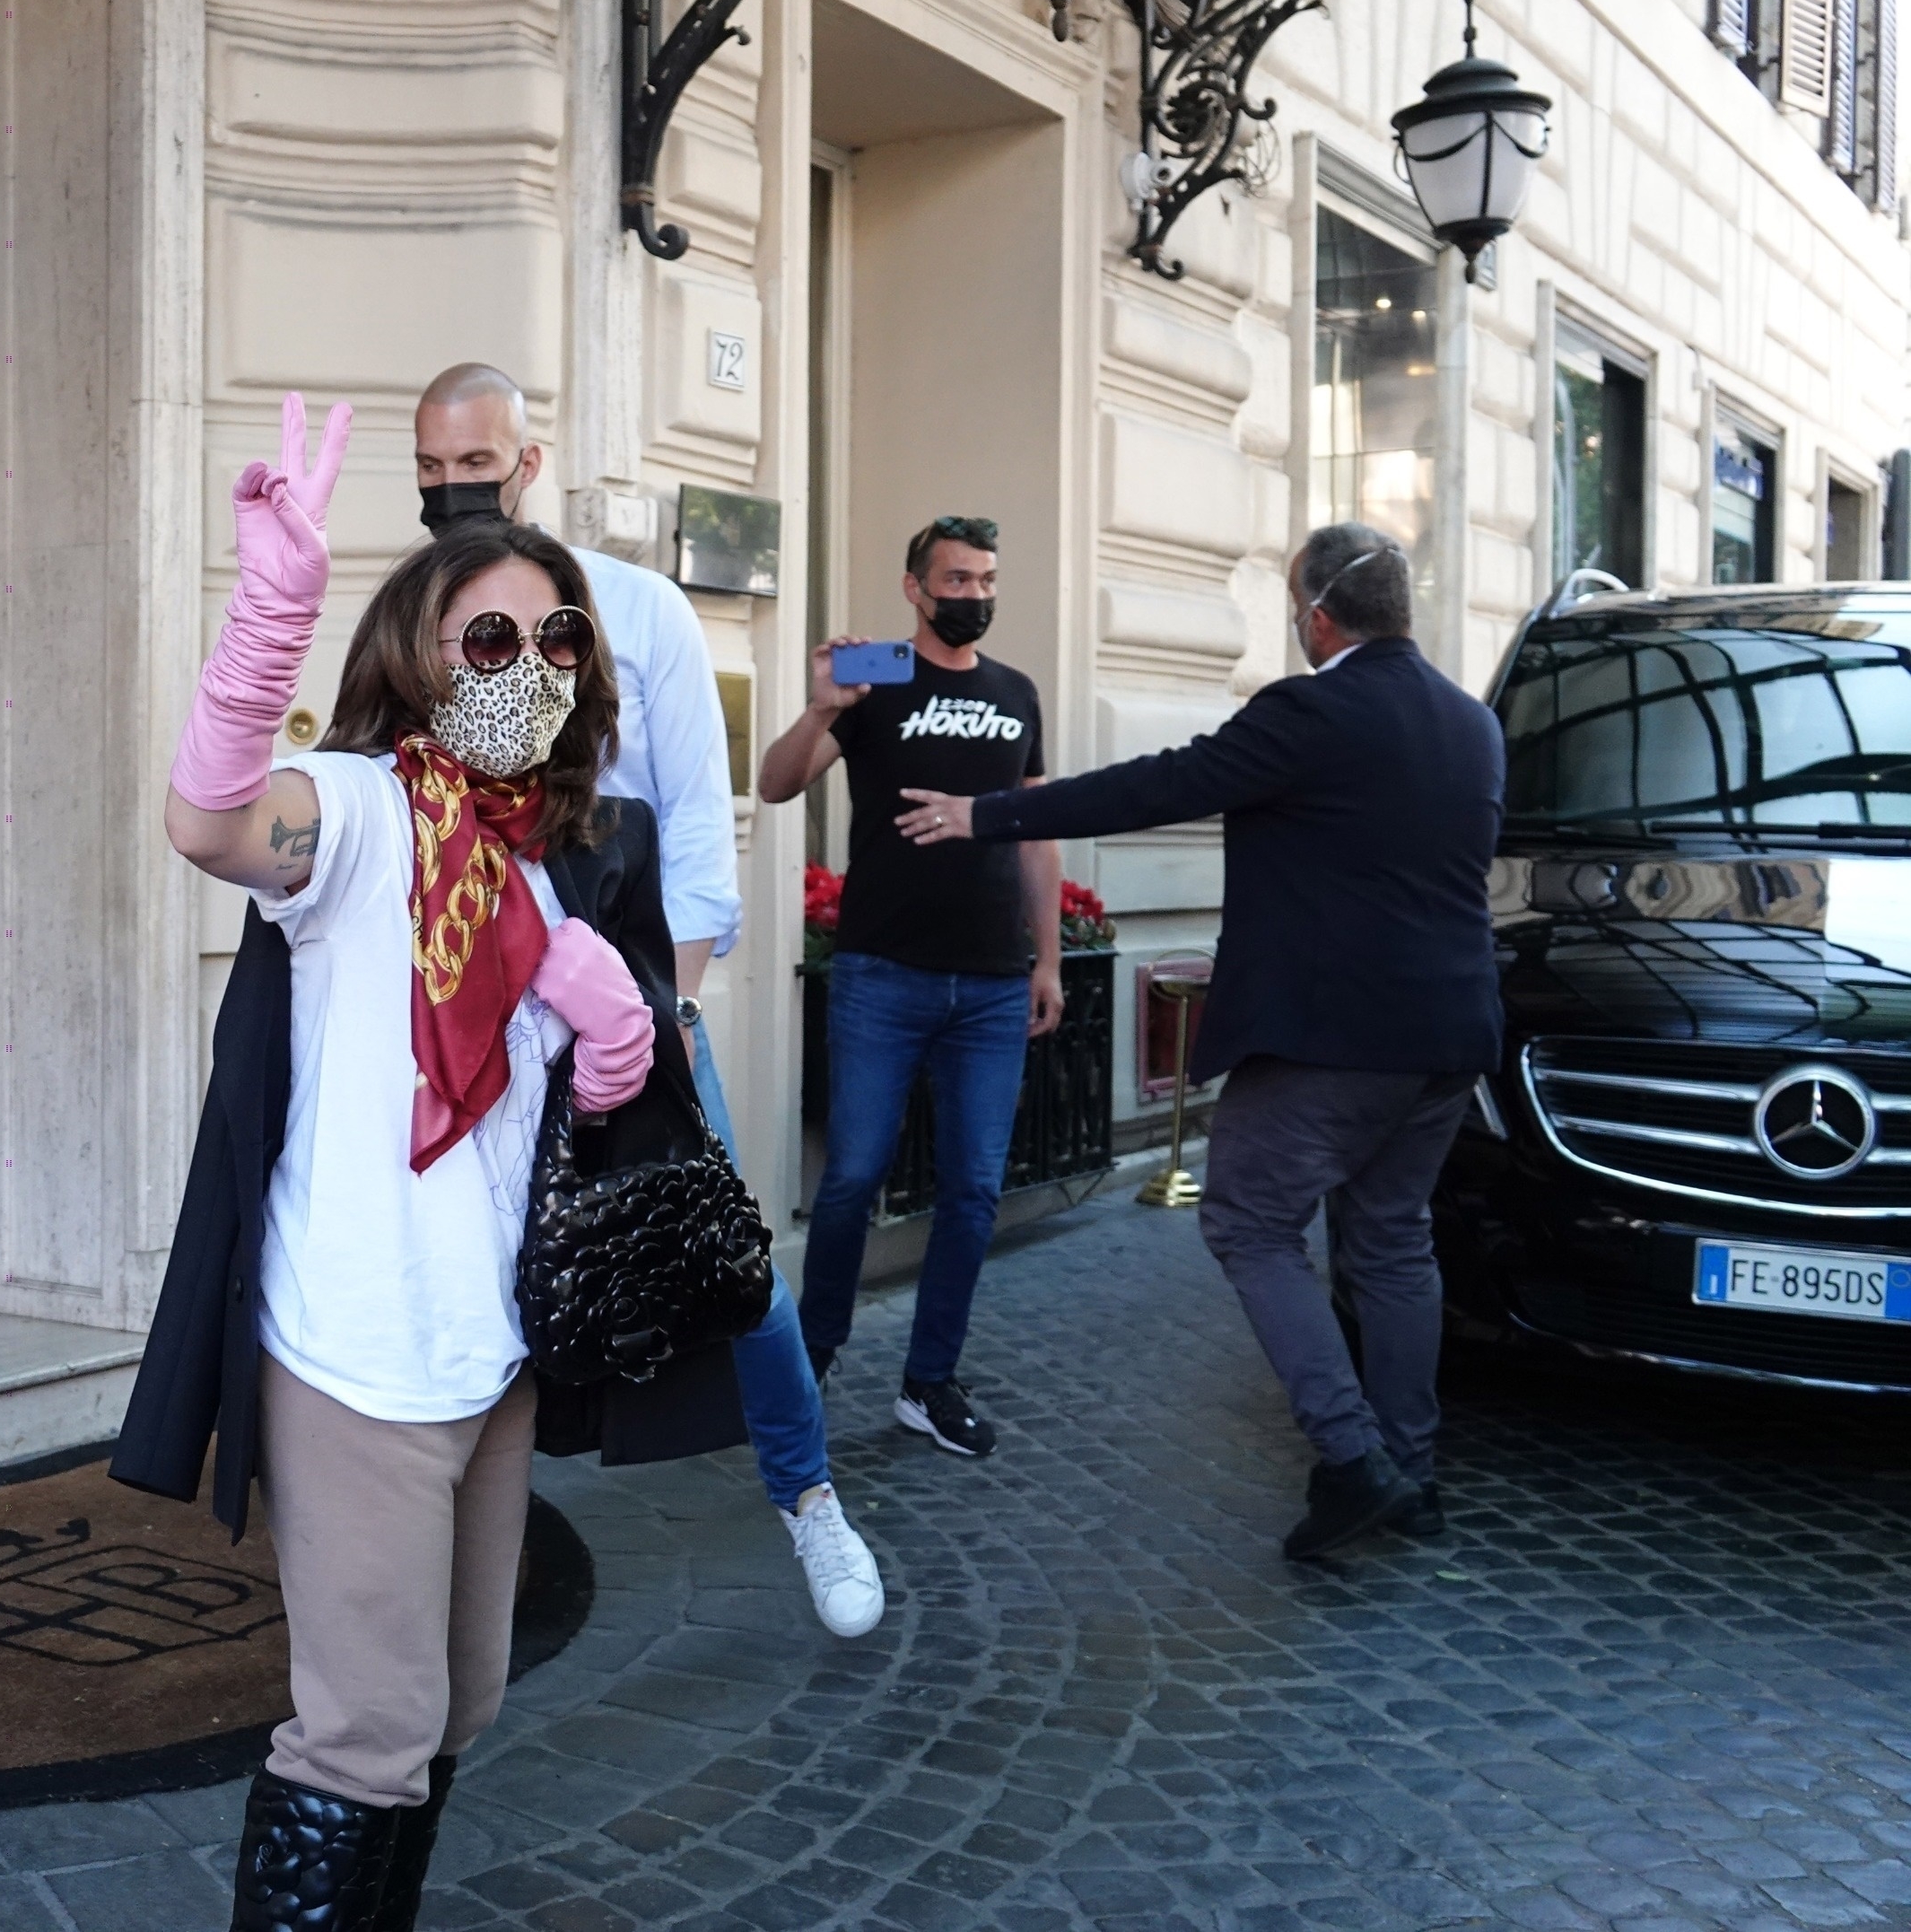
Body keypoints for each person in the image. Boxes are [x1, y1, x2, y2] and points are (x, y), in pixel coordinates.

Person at [114, 398, 744, 1931]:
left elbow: (588, 1101)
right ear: (414, 660)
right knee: (365, 1729)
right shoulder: (360, 814)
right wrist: (272, 608)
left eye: (559, 645)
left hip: (495, 1348)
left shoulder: (559, 856)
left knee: (458, 1706)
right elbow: (209, 819)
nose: (528, 670)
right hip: (363, 1353)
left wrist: (619, 1032)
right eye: (488, 644)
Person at [897, 522, 1503, 1560]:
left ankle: (1354, 1461)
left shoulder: (1312, 708)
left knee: (1246, 1220)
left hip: (1330, 1036)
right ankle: (1412, 1471)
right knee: (1393, 1240)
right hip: (1446, 1036)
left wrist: (982, 814)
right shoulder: (1469, 722)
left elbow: (1162, 784)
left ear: (1315, 614)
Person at [412, 363, 881, 1639]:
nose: (458, 493)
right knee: (467, 1265)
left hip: (631, 1002)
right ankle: (454, 1550)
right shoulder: (413, 627)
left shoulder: (637, 610)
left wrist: (662, 1017)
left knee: (731, 1265)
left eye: (479, 467)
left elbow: (695, 833)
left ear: (531, 459)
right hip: (478, 1012)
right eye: (433, 475)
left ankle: (810, 1499)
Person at [758, 514, 1063, 1461]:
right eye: (956, 578)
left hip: (987, 986)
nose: (972, 594)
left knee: (972, 1191)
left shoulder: (1015, 692)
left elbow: (1033, 833)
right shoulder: (878, 673)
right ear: (913, 587)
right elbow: (773, 785)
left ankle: (927, 1381)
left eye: (985, 578)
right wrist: (818, 708)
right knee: (850, 1177)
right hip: (881, 973)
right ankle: (810, 1360)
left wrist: (1046, 958)